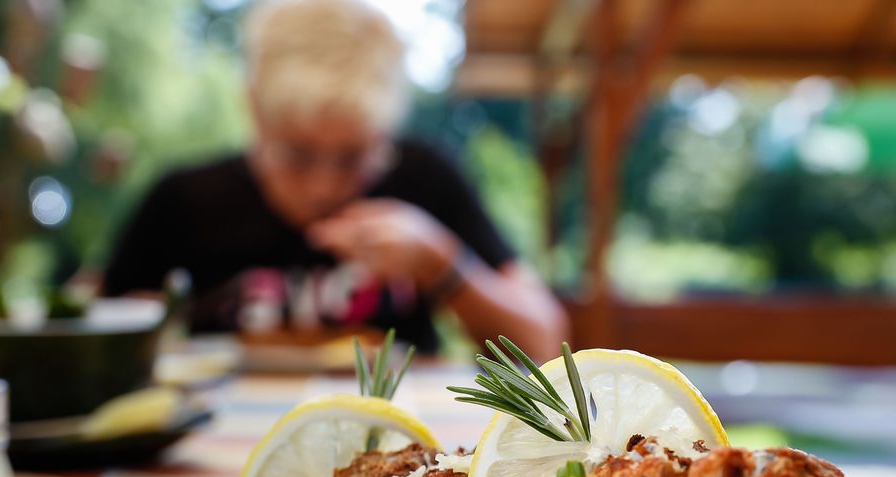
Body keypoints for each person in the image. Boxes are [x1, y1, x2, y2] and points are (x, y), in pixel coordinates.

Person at [102, 0, 566, 359]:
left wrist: (439, 263)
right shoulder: (185, 201)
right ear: (256, 113)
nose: (324, 187)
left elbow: (545, 339)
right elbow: (96, 329)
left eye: (353, 157)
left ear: (386, 132)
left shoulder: (424, 181)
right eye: (298, 154)